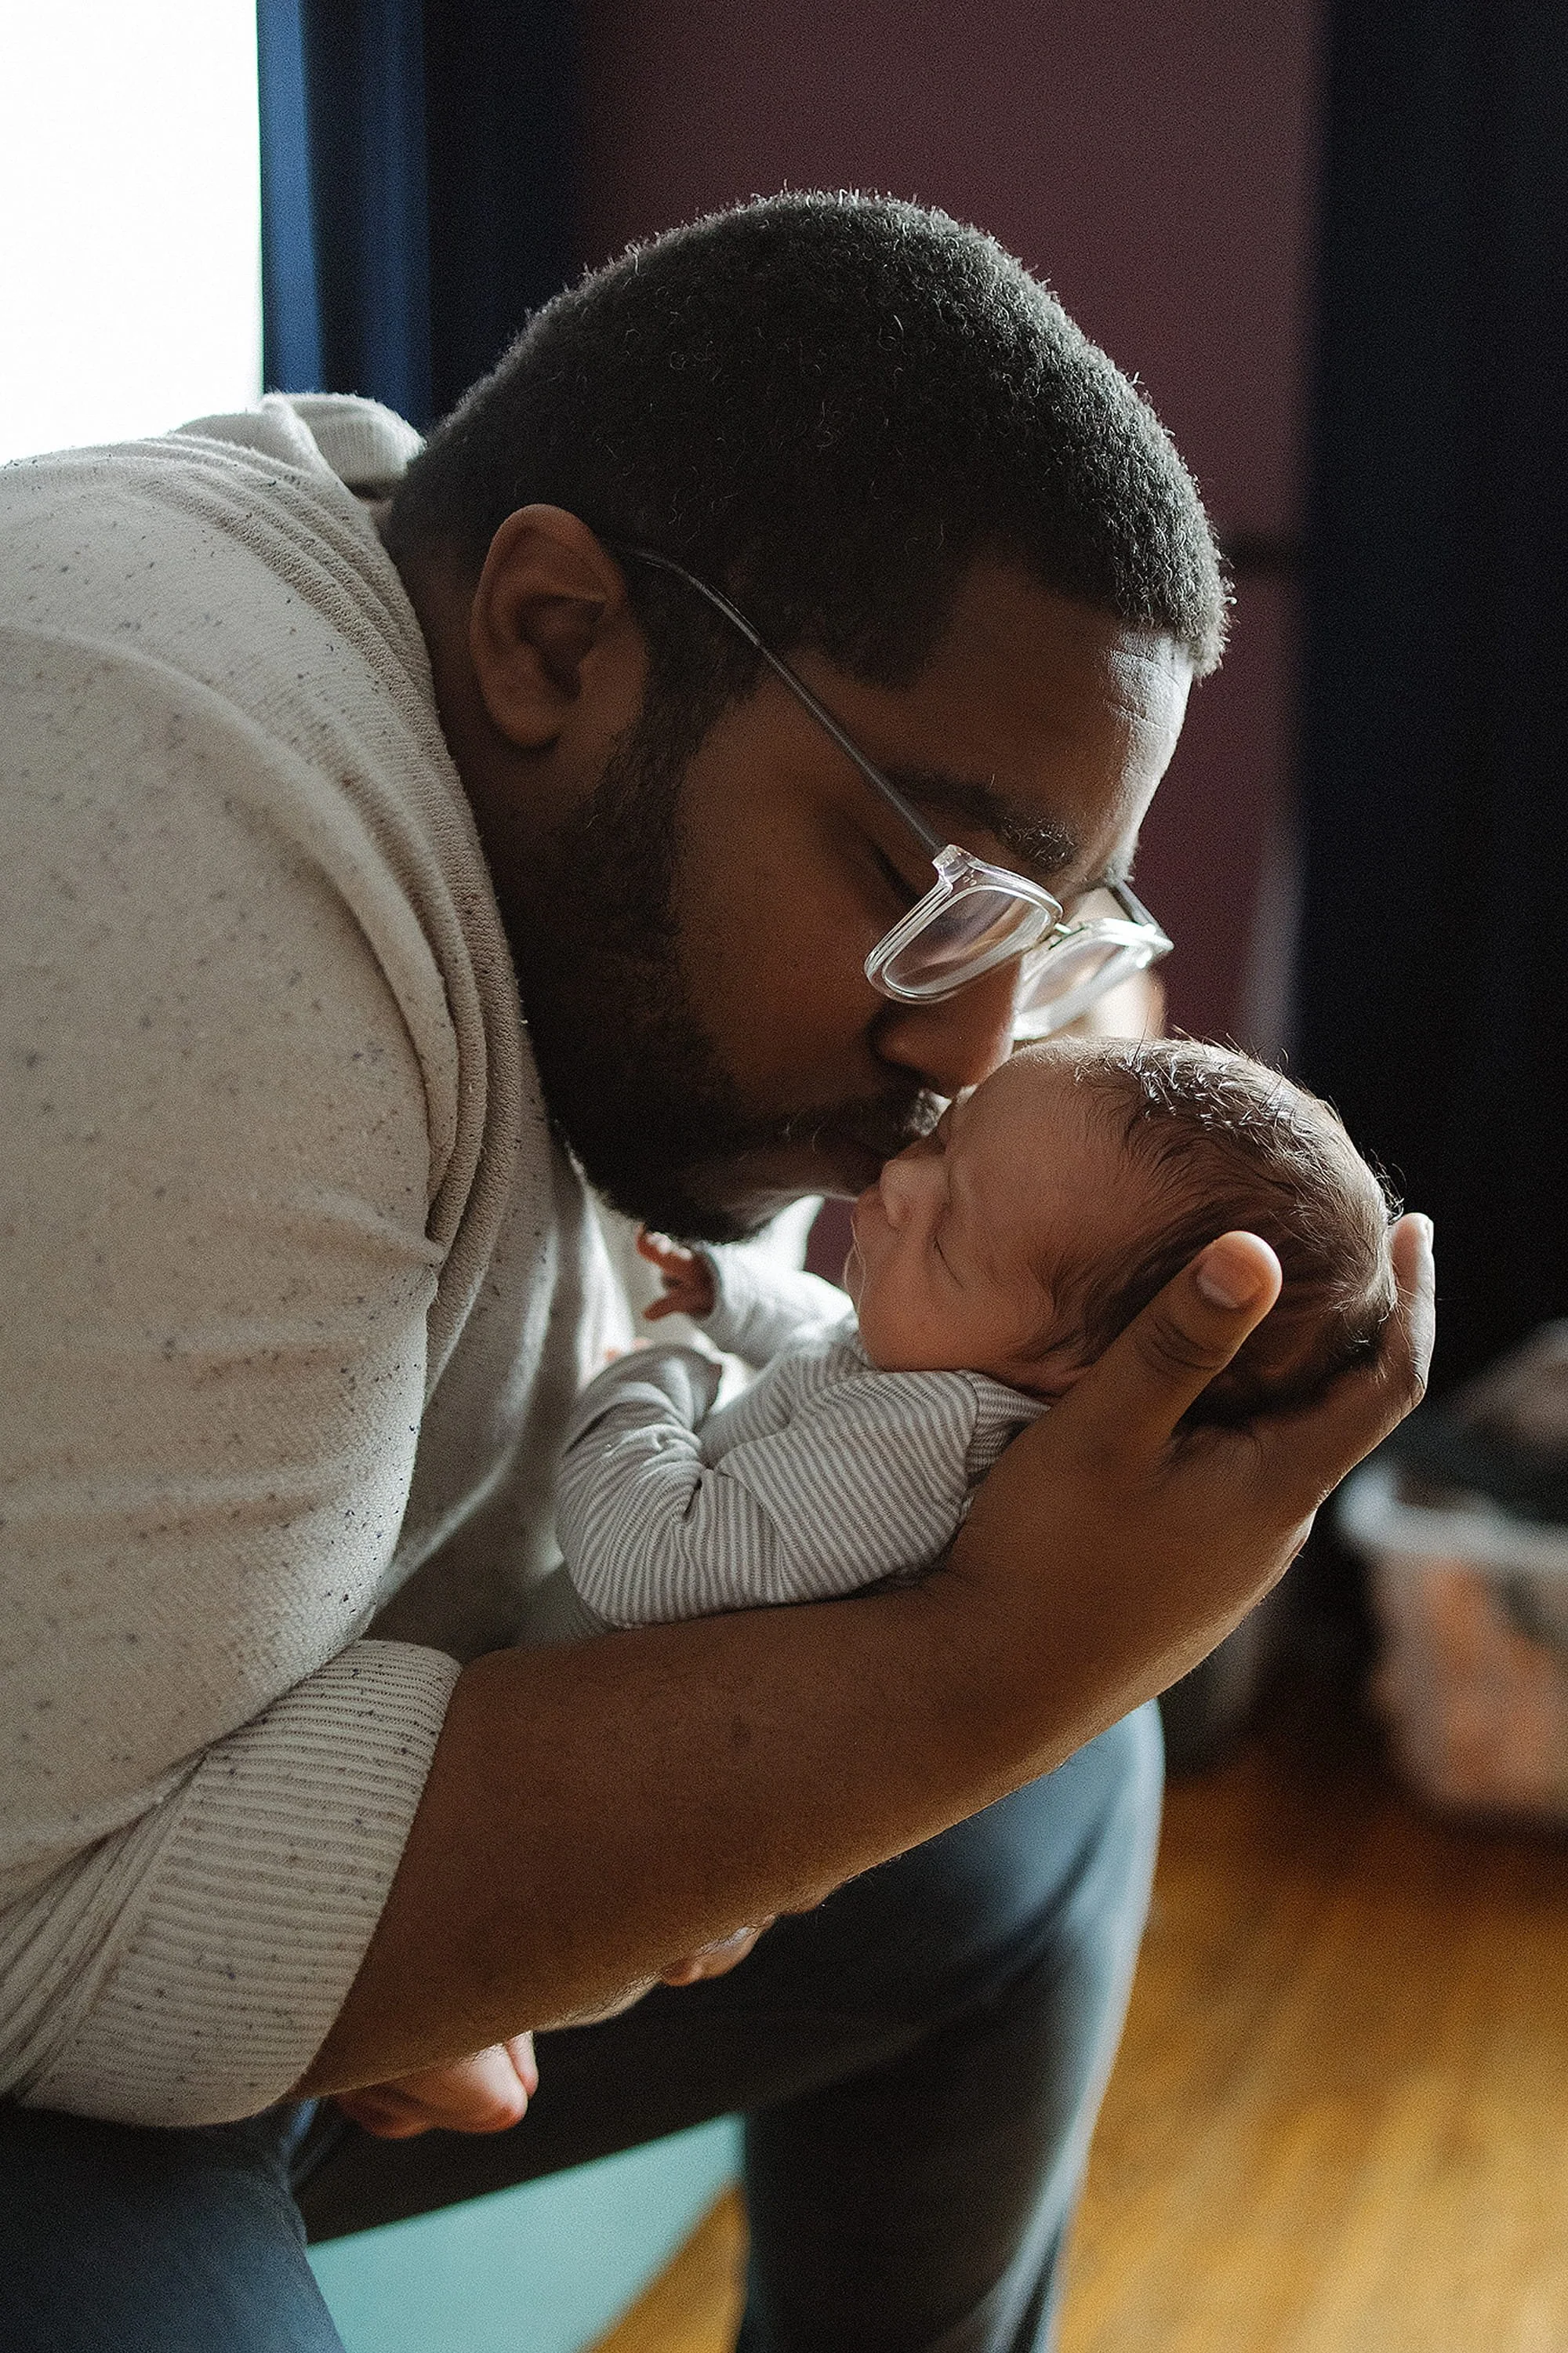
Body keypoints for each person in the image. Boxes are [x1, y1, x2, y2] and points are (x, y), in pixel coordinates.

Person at [0, 193, 1432, 2352]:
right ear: (556, 638)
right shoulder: (186, 813)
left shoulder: (539, 800)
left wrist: (548, 1859)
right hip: (55, 1966)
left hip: (174, 1805)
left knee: (1036, 1821)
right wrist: (990, 1663)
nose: (965, 1045)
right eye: (922, 879)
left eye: (1036, 929)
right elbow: (71, 1945)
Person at [550, 1038, 1398, 1637]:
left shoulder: (920, 1452)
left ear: (1073, 1382)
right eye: (947, 1132)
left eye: (950, 1232)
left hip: (571, 1683)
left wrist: (651, 1386)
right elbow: (834, 1345)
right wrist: (730, 1295)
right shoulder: (947, 1366)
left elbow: (647, 1559)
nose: (899, 1175)